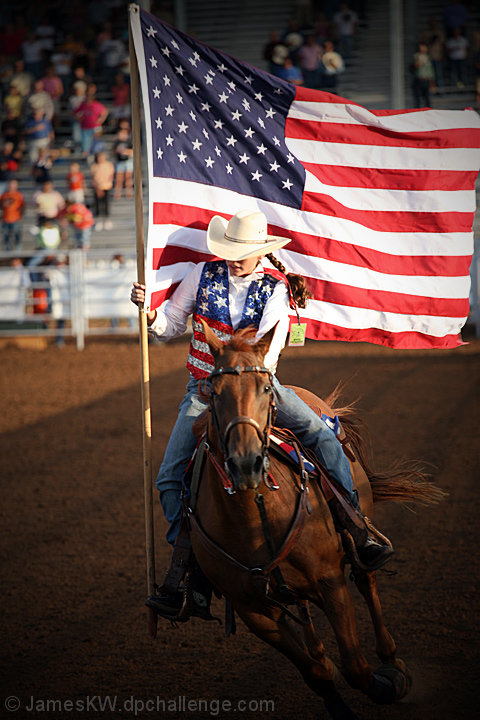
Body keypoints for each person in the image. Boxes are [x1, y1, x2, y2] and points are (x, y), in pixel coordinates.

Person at [130, 210, 394, 618]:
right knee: (168, 477)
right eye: (233, 249)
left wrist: (246, 384)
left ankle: (357, 528)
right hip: (205, 391)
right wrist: (150, 314)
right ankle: (191, 568)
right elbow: (170, 323)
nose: (238, 257)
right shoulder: (201, 276)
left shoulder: (275, 290)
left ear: (260, 251)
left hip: (259, 388)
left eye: (246, 250)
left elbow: (270, 351)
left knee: (321, 434)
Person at [90, 151, 114, 230]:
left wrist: (104, 185)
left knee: (106, 204)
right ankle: (98, 221)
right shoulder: (94, 166)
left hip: (106, 186)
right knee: (97, 205)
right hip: (97, 188)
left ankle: (107, 220)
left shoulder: (108, 165)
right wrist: (98, 187)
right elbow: (93, 177)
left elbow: (110, 176)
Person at [0, 179, 25, 250]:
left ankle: (17, 252)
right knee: (6, 237)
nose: (11, 186)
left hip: (15, 219)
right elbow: (1, 206)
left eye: (13, 184)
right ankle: (7, 253)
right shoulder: (4, 195)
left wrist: (21, 215)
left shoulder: (19, 195)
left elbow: (23, 206)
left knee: (17, 237)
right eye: (10, 184)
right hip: (5, 219)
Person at [412, 42, 435, 107]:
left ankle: (428, 112)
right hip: (419, 80)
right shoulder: (416, 56)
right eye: (421, 47)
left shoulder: (428, 57)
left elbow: (430, 71)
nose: (423, 49)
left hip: (426, 80)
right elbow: (414, 67)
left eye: (424, 47)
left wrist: (432, 82)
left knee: (427, 99)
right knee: (417, 99)